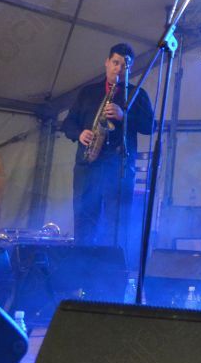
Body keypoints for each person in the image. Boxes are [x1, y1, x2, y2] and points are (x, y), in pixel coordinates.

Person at [62, 43, 153, 252]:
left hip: (119, 169)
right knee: (84, 220)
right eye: (115, 63)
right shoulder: (88, 92)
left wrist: (124, 116)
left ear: (129, 68)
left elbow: (150, 127)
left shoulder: (137, 94)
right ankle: (82, 263)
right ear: (107, 62)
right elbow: (68, 123)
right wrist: (80, 133)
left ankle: (112, 268)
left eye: (124, 66)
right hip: (88, 167)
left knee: (116, 224)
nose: (118, 69)